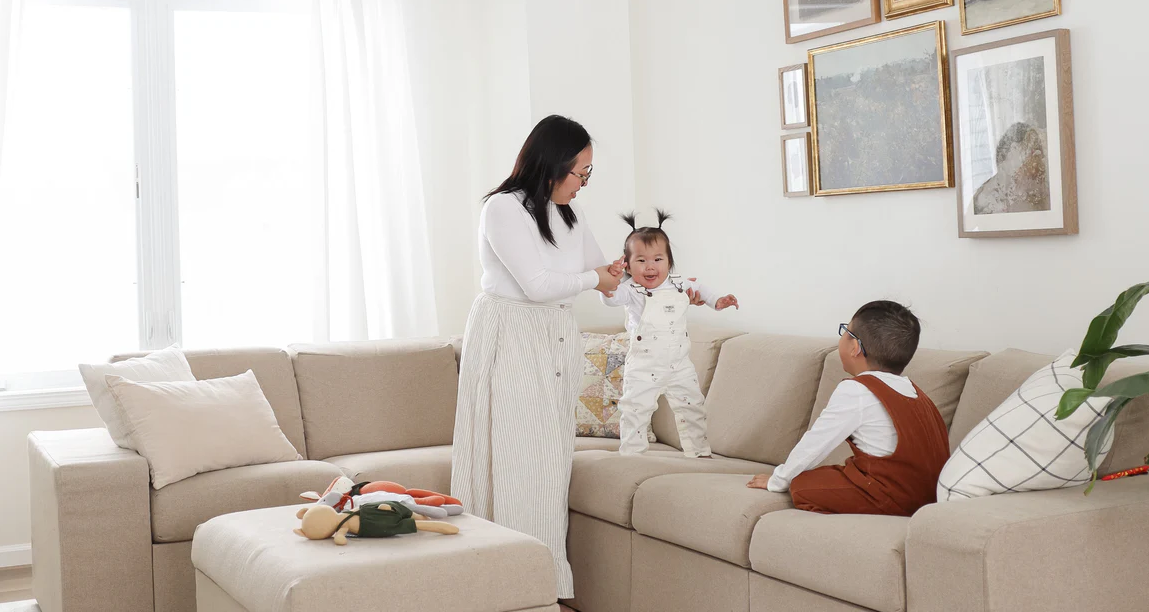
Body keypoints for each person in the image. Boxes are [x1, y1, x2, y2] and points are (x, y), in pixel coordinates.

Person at [450, 115, 624, 601]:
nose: (583, 184)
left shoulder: (570, 213)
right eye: (579, 173)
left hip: (556, 339)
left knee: (548, 466)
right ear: (551, 165)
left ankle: (538, 586)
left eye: (589, 174)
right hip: (511, 333)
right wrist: (598, 280)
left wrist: (634, 279)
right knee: (511, 460)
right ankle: (498, 582)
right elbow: (538, 286)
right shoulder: (503, 209)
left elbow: (600, 273)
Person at [747, 301, 949, 516]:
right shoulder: (916, 392)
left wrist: (778, 480)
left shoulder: (857, 390)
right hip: (928, 497)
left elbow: (816, 443)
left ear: (855, 348)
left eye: (846, 331)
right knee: (833, 474)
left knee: (802, 485)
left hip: (891, 496)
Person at [601, 209, 739, 457]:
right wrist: (609, 282)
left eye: (658, 259)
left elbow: (700, 288)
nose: (650, 266)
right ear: (628, 266)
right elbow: (611, 299)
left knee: (692, 407)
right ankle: (632, 454)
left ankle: (699, 452)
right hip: (643, 365)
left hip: (679, 364)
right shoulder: (630, 289)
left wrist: (718, 300)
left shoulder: (679, 284)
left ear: (669, 261)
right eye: (641, 261)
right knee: (635, 408)